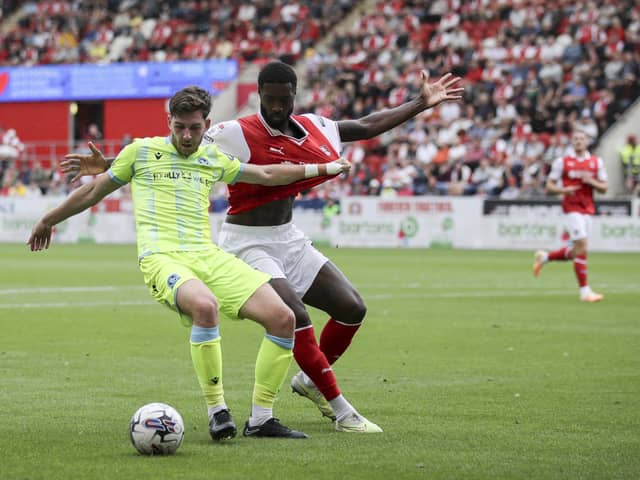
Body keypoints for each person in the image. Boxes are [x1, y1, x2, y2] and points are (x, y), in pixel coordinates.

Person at [61, 62, 464, 433]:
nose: (275, 106)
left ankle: (309, 379)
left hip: (287, 236)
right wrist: (111, 164)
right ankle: (341, 409)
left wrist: (419, 104)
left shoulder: (314, 127)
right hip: (246, 241)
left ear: (293, 95)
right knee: (295, 315)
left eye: (282, 99)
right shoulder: (235, 132)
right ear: (258, 95)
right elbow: (180, 148)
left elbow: (365, 124)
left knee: (352, 308)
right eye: (268, 99)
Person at [28, 86, 352, 441]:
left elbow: (267, 175)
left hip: (207, 256)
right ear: (168, 121)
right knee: (205, 305)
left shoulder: (212, 159)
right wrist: (48, 219)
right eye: (179, 126)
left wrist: (323, 167)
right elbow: (93, 190)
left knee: (283, 317)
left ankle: (261, 419)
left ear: (206, 124)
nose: (186, 135)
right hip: (162, 258)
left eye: (194, 128)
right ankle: (218, 411)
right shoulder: (141, 151)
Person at [532, 129, 608, 302]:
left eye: (581, 139)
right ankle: (585, 292)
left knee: (577, 250)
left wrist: (592, 182)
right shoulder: (562, 162)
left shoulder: (596, 162)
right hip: (571, 208)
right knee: (583, 245)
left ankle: (544, 257)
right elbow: (549, 187)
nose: (578, 141)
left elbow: (604, 188)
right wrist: (563, 190)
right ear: (572, 142)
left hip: (588, 209)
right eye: (575, 139)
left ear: (587, 141)